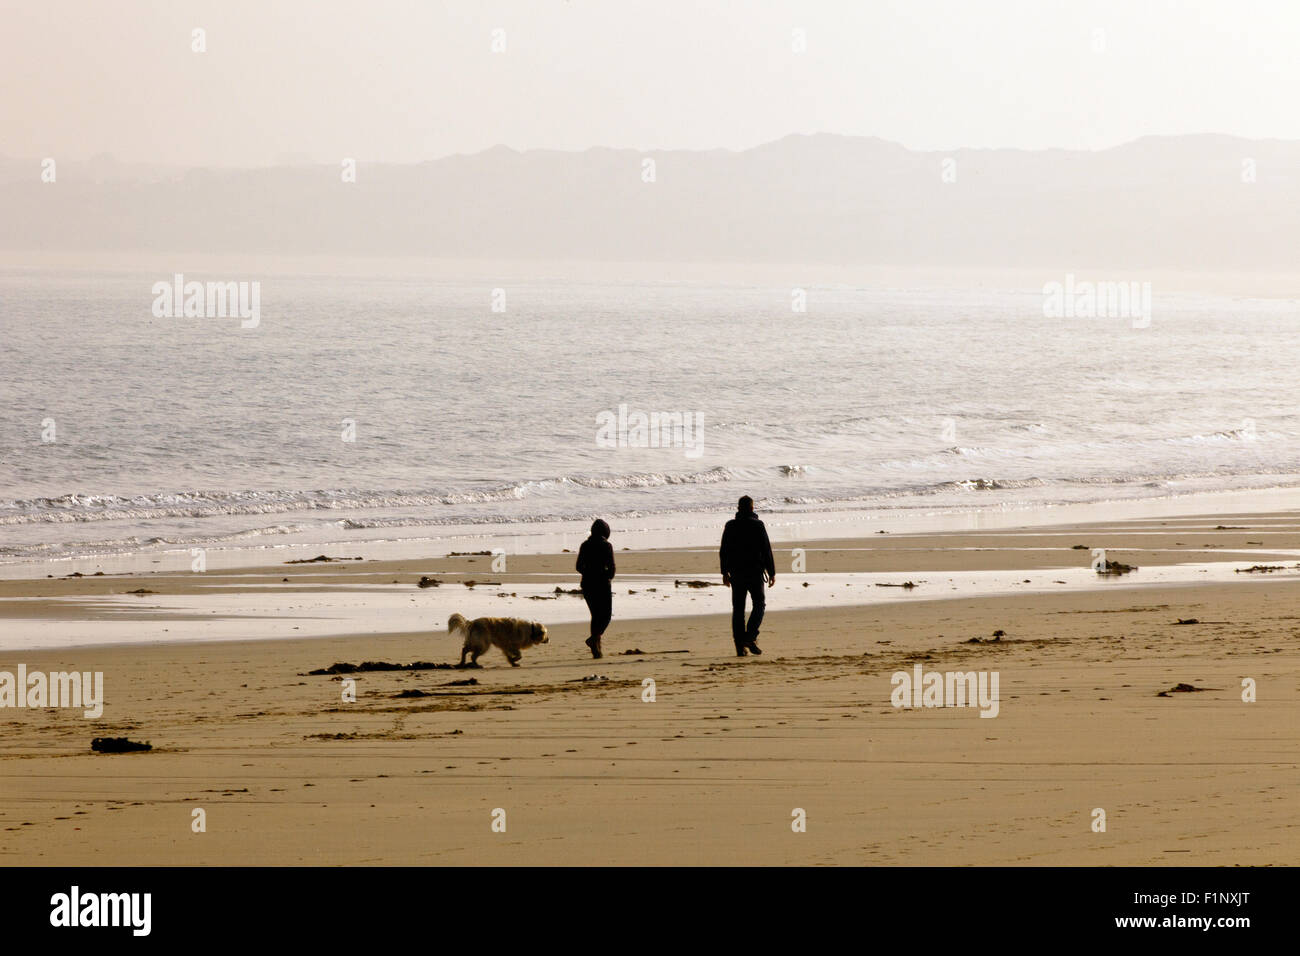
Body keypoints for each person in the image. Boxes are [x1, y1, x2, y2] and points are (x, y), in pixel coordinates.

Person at [719, 495, 775, 657]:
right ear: (752, 508)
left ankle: (740, 645)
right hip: (755, 572)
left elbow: (724, 551)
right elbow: (766, 550)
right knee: (759, 604)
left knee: (738, 609)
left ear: (738, 508)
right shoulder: (758, 525)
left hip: (737, 572)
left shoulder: (730, 526)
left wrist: (724, 573)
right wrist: (771, 572)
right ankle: (750, 637)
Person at [576, 518, 616, 658]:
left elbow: (578, 567)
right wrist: (607, 577)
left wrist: (588, 573)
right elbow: (612, 568)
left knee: (595, 616)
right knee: (606, 616)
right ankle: (594, 640)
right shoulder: (607, 546)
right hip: (603, 585)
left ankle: (596, 647)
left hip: (587, 584)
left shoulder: (585, 545)